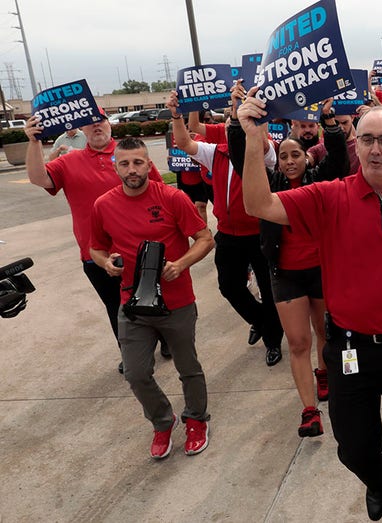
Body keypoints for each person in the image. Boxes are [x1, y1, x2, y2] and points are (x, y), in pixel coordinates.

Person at [238, 93, 382, 522]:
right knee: (353, 447)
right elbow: (258, 205)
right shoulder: (328, 196)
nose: (375, 148)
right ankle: (374, 472)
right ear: (357, 145)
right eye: (367, 139)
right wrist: (253, 140)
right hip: (351, 349)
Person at [227, 96, 349, 437]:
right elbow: (241, 161)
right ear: (277, 162)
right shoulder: (269, 186)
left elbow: (338, 159)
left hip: (322, 271)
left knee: (325, 333)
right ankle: (309, 411)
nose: (290, 160)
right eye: (284, 156)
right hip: (286, 275)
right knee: (298, 343)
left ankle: (324, 373)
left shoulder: (318, 180)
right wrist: (240, 125)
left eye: (296, 154)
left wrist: (328, 123)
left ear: (306, 156)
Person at [88, 137, 214, 459]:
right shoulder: (103, 205)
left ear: (149, 164)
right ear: (116, 167)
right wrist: (105, 263)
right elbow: (96, 247)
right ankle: (162, 420)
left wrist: (182, 263)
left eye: (138, 162)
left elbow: (204, 238)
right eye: (125, 163)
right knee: (135, 373)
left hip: (177, 301)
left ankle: (197, 420)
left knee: (188, 367)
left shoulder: (172, 198)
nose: (132, 169)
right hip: (132, 305)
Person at [25, 113, 164, 373]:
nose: (97, 125)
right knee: (117, 308)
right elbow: (38, 178)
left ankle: (165, 339)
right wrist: (34, 142)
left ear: (109, 124)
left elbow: (159, 193)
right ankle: (131, 354)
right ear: (82, 128)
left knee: (152, 299)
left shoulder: (129, 157)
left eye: (102, 119)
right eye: (90, 121)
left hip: (141, 250)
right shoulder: (69, 162)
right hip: (96, 254)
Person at [167, 88, 285, 366]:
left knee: (269, 292)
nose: (236, 127)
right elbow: (184, 142)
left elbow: (265, 146)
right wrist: (176, 115)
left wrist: (255, 120)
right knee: (229, 287)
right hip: (229, 236)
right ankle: (261, 322)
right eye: (232, 121)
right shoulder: (217, 153)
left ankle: (272, 341)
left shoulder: (264, 151)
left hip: (259, 234)